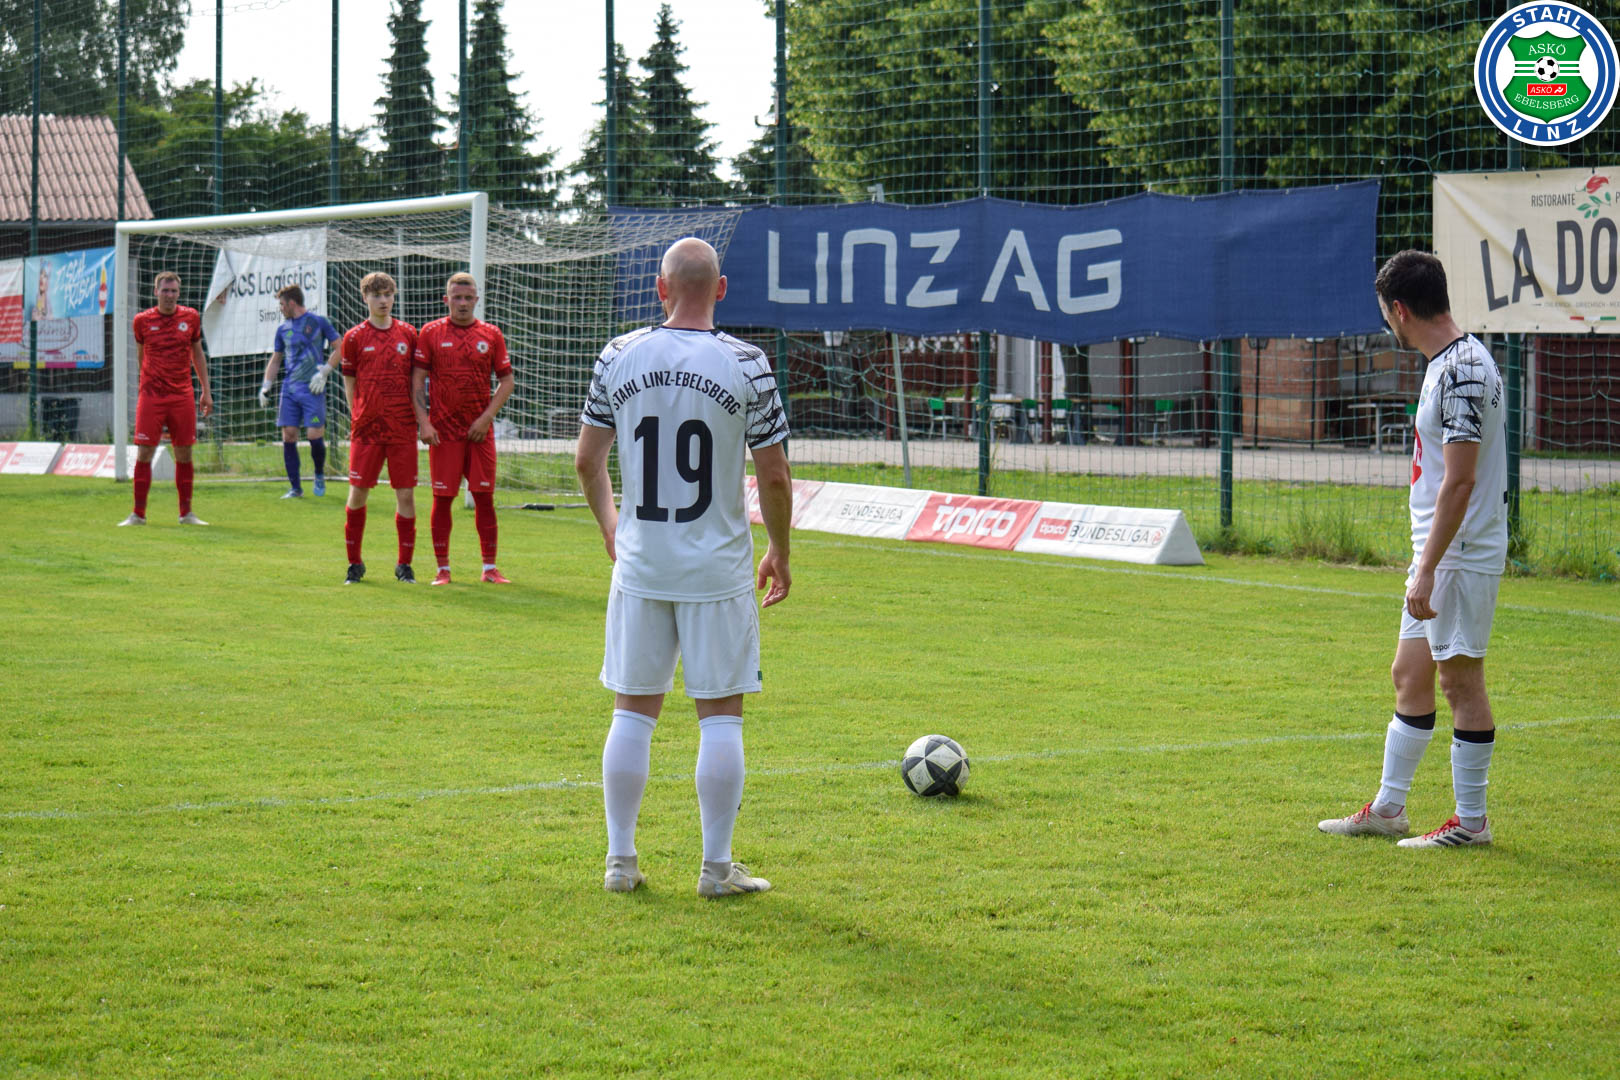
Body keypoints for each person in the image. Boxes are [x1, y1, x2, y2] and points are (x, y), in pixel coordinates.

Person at [575, 236, 792, 898]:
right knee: (720, 716)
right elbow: (774, 476)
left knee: (632, 712)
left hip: (642, 563)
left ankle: (620, 862)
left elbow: (587, 461)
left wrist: (611, 527)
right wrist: (780, 550)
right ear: (720, 290)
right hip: (716, 569)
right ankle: (716, 868)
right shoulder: (748, 363)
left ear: (660, 289)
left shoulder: (618, 354)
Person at [1319, 249, 1507, 849]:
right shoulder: (1448, 363)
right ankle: (1388, 809)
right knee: (1409, 675)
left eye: (1385, 313)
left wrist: (1426, 569)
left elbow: (1460, 481)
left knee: (1461, 683)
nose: (1387, 324)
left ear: (1399, 309)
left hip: (1457, 556)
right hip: (1438, 555)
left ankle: (1471, 824)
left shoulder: (1462, 370)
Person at [411, 272, 515, 585]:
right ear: (447, 300)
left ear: (476, 300)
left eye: (468, 298)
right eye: (457, 298)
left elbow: (507, 381)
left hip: (479, 432)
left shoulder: (491, 334)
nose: (463, 303)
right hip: (443, 433)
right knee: (443, 498)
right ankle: (442, 570)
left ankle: (490, 569)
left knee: (484, 497)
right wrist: (424, 422)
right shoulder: (430, 333)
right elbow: (416, 380)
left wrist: (486, 418)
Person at [338, 272, 420, 585]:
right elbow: (350, 382)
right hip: (367, 431)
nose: (383, 301)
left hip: (402, 428)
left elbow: (416, 381)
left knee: (406, 496)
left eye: (388, 294)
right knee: (357, 494)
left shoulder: (409, 334)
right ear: (365, 298)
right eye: (376, 295)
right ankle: (354, 564)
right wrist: (356, 415)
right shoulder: (354, 337)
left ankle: (404, 566)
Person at [119, 271, 213, 527]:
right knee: (144, 452)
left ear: (178, 293)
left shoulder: (190, 317)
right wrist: (147, 384)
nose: (169, 295)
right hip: (151, 396)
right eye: (165, 290)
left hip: (182, 395)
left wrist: (206, 390)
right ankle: (138, 514)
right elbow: (142, 356)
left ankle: (187, 514)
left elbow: (197, 354)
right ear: (156, 292)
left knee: (184, 452)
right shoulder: (142, 321)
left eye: (173, 291)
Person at [258, 284, 340, 498]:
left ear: (292, 303)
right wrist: (266, 386)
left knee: (314, 435)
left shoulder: (319, 322)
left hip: (312, 388)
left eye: (282, 304)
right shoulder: (282, 329)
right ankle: (295, 488)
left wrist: (325, 371)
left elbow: (341, 347)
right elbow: (276, 359)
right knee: (289, 435)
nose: (280, 309)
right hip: (290, 389)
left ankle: (319, 474)